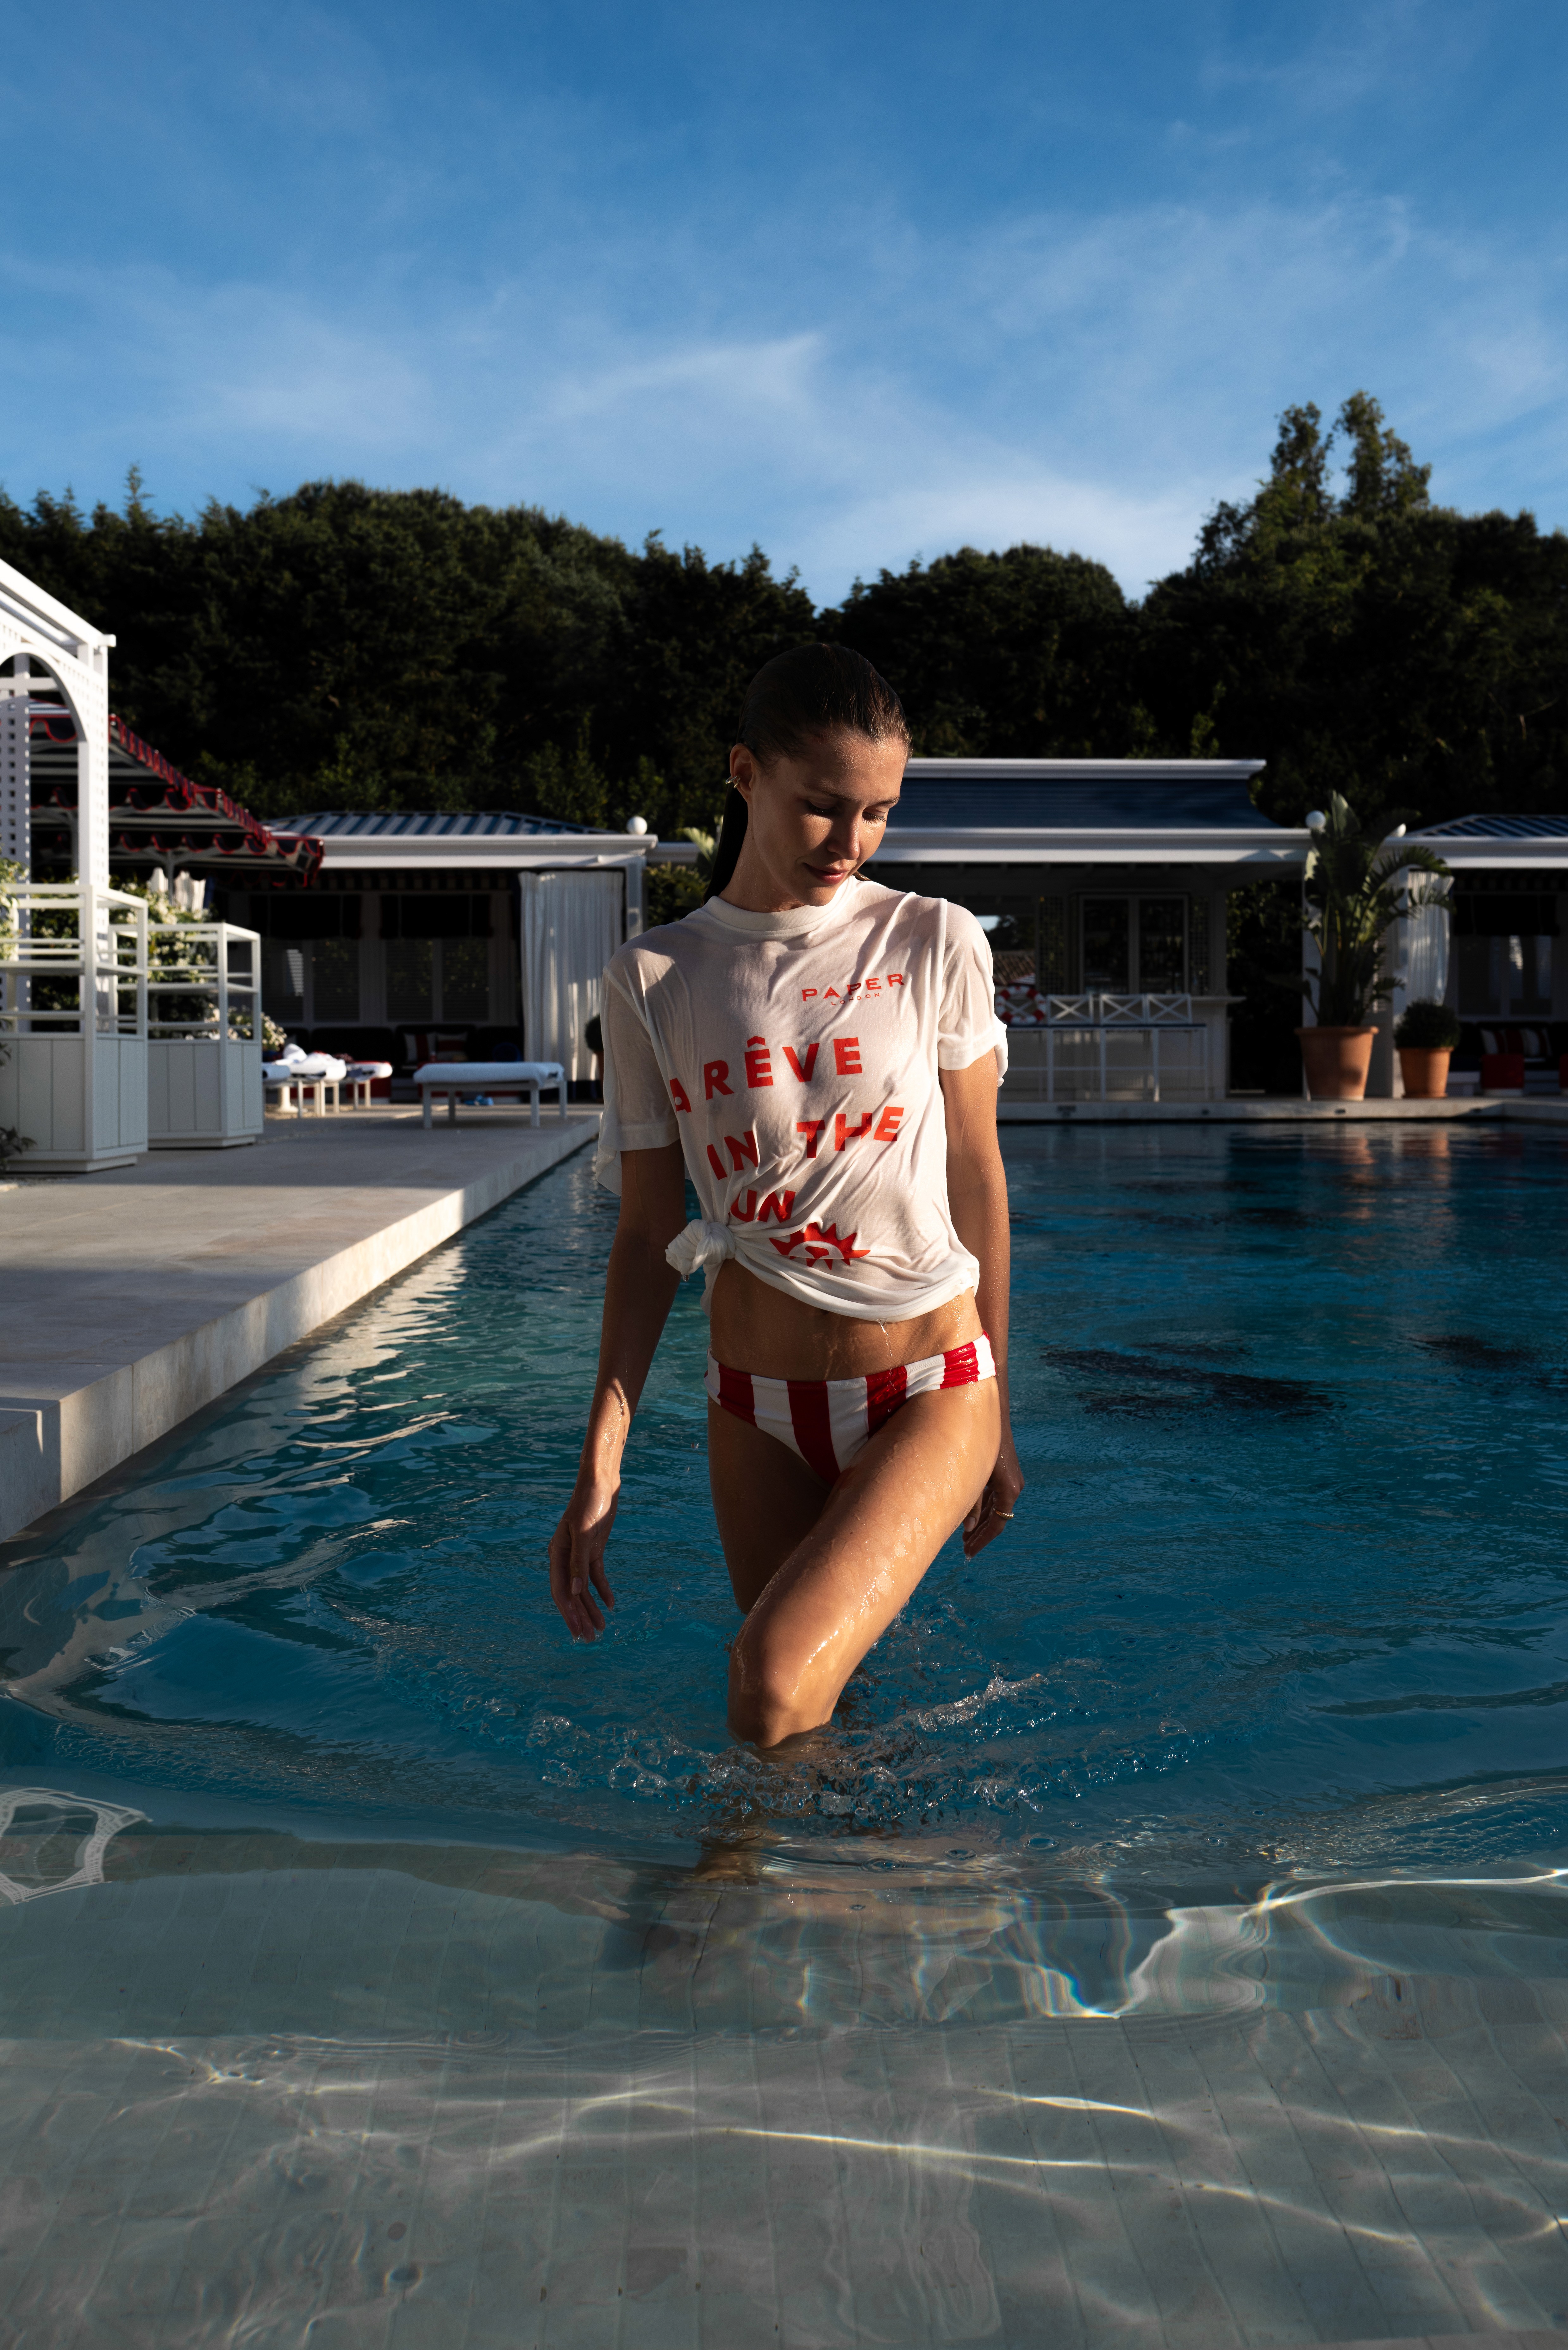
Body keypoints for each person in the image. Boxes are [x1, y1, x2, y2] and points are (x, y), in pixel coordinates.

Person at [548, 644, 1022, 1748]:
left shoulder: (931, 939)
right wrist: (601, 1460)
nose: (849, 842)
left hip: (928, 1384)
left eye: (877, 813)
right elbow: (646, 1235)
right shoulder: (654, 979)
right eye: (822, 805)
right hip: (752, 1408)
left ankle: (732, 1870)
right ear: (744, 773)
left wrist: (1001, 1410)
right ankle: (875, 1860)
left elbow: (976, 1174)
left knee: (767, 1683)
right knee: (813, 1724)